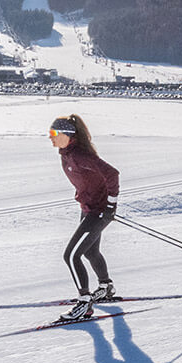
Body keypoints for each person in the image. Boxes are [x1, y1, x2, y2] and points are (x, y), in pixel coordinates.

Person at [49, 114, 120, 321]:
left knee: (71, 256)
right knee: (90, 251)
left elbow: (112, 174)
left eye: (54, 133)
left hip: (99, 211)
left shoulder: (80, 155)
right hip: (89, 209)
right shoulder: (67, 154)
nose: (50, 137)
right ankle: (106, 287)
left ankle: (84, 303)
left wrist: (110, 205)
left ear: (67, 135)